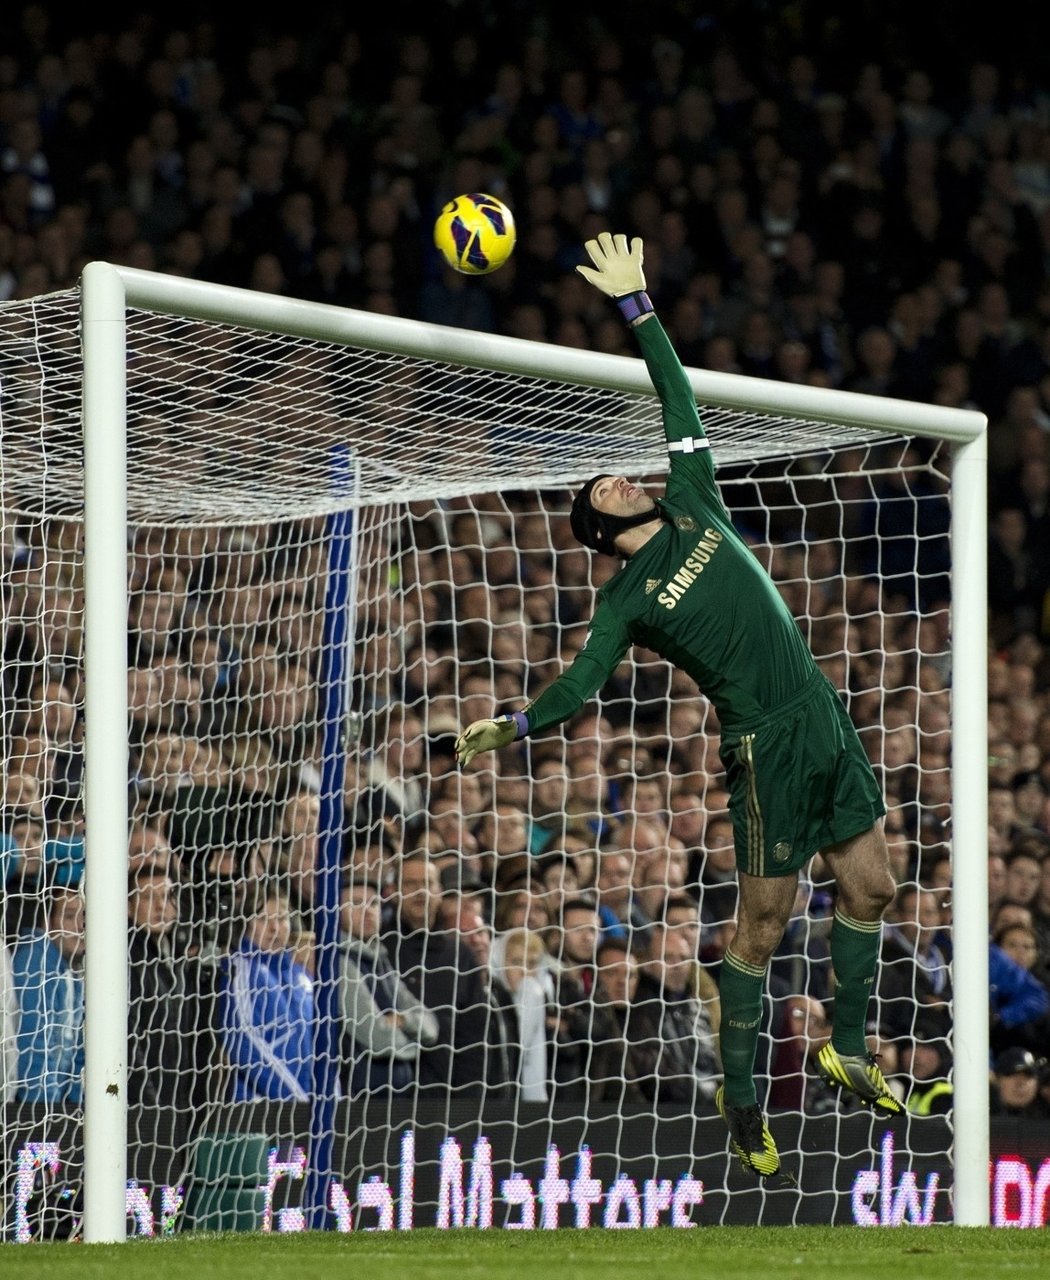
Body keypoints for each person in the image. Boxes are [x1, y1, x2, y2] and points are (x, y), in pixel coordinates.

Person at [456, 233, 902, 1179]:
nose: (618, 476)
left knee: (873, 888)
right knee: (761, 931)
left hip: (821, 714)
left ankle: (851, 1051)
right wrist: (518, 725)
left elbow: (677, 396)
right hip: (763, 749)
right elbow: (582, 685)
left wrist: (638, 303)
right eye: (601, 489)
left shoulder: (694, 494)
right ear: (603, 533)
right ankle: (742, 1103)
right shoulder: (626, 600)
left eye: (615, 474)